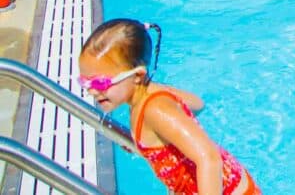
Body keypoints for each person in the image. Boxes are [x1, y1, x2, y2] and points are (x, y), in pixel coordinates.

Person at [78, 19, 260, 194]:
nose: (92, 91)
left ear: (137, 76)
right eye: (85, 82)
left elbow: (209, 158)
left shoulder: (155, 110)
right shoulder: (148, 97)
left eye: (100, 83)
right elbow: (198, 104)